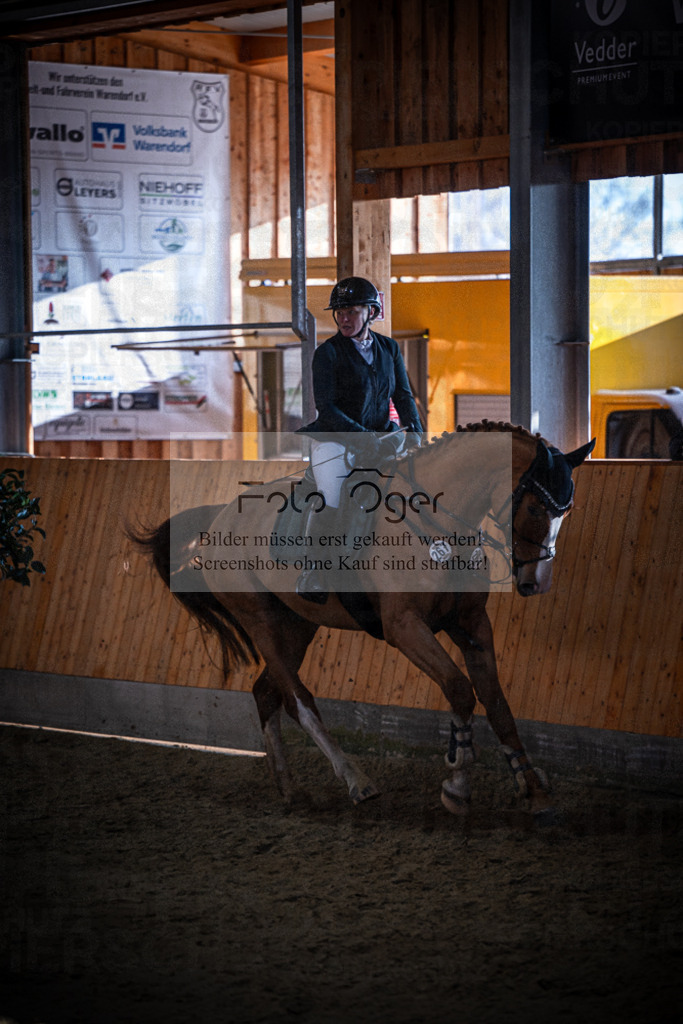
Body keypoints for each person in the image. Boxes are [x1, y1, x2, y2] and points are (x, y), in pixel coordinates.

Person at [295, 276, 423, 602]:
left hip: (382, 436)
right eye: (339, 312)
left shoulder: (389, 348)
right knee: (331, 493)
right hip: (335, 439)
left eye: (351, 311)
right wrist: (364, 438)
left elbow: (403, 396)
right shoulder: (328, 353)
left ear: (371, 312)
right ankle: (314, 569)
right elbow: (327, 408)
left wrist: (417, 436)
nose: (344, 319)